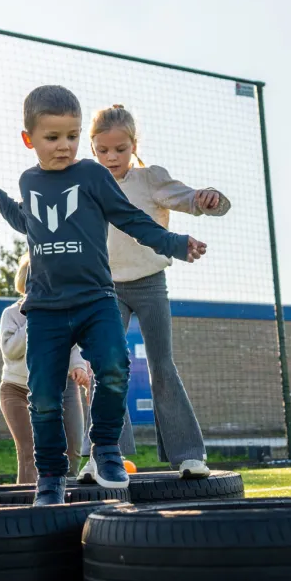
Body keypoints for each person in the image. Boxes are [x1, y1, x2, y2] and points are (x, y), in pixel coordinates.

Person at [0, 85, 206, 505]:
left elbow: (129, 217)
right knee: (46, 396)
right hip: (47, 307)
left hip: (96, 298)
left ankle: (106, 447)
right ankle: (51, 476)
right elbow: (28, 222)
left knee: (113, 367)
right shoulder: (29, 180)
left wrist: (175, 243)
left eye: (72, 136)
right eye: (53, 138)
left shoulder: (91, 175)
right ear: (28, 139)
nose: (64, 146)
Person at [90, 104, 231, 479]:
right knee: (108, 367)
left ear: (133, 145)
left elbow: (187, 198)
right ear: (92, 149)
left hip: (151, 283)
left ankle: (188, 455)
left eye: (119, 149)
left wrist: (206, 198)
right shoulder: (88, 183)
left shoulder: (149, 179)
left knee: (161, 366)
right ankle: (107, 454)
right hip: (107, 288)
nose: (111, 157)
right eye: (102, 150)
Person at [0, 253, 91, 483]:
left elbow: (72, 347)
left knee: (73, 448)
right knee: (30, 451)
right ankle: (29, 506)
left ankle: (64, 496)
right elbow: (11, 351)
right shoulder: (11, 315)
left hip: (61, 386)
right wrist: (35, 319)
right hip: (18, 390)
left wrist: (78, 367)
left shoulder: (61, 311)